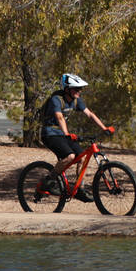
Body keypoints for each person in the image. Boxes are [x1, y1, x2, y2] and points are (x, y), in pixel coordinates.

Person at [40, 73, 114, 202]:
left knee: (81, 157)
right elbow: (59, 117)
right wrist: (67, 134)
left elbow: (90, 114)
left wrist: (104, 128)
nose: (79, 92)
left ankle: (79, 189)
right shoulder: (56, 99)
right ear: (67, 89)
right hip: (50, 133)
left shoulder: (76, 100)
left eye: (80, 89)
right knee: (70, 156)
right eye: (76, 89)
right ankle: (49, 181)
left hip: (62, 134)